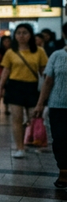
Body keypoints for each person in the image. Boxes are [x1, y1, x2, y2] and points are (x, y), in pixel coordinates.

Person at [0, 23, 47, 158]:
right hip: (15, 87)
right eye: (18, 33)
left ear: (30, 35)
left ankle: (33, 140)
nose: (21, 35)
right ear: (15, 35)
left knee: (34, 117)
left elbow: (44, 73)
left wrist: (47, 90)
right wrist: (0, 89)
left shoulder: (39, 51)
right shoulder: (11, 52)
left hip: (32, 87)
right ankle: (20, 147)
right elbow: (5, 71)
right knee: (16, 119)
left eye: (25, 32)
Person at [35, 47, 67, 189]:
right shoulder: (57, 55)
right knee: (59, 139)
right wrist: (40, 103)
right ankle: (63, 171)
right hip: (58, 105)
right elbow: (48, 81)